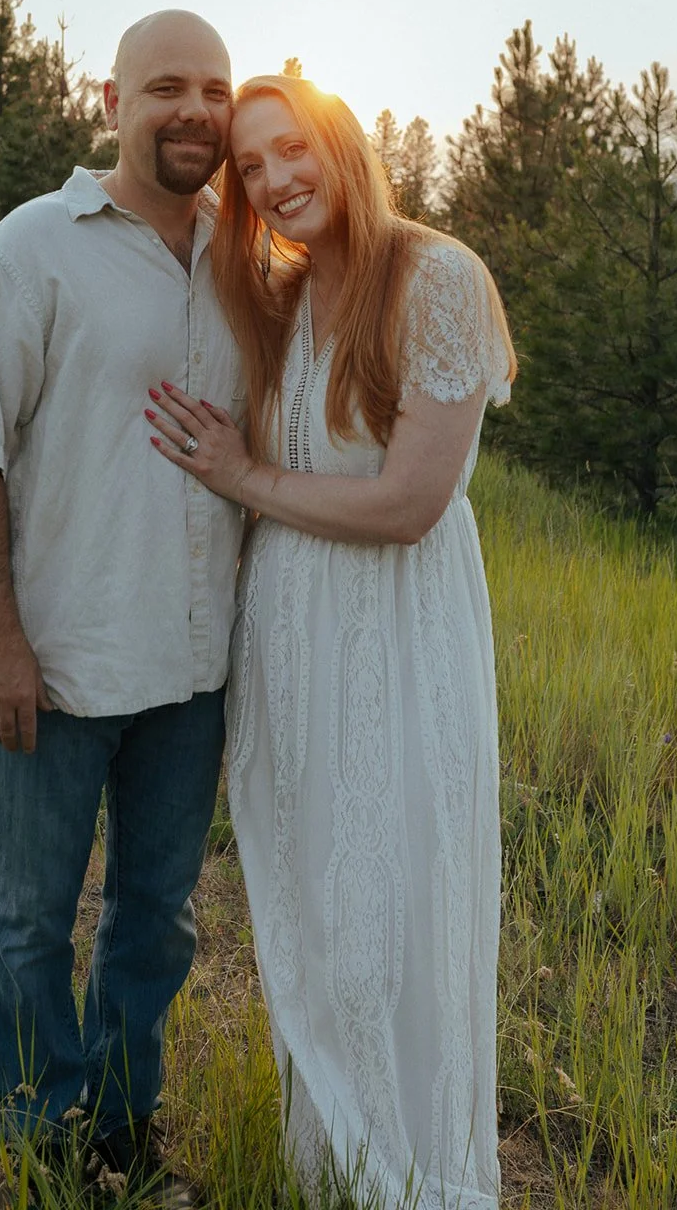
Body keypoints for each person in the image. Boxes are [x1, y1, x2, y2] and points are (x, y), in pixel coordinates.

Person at [144, 74, 516, 1210]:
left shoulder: (436, 277)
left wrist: (242, 475)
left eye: (292, 147)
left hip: (398, 634)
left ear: (342, 143)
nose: (275, 179)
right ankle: (338, 1168)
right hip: (291, 641)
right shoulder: (285, 291)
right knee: (311, 905)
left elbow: (408, 505)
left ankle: (417, 1172)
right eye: (251, 166)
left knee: (394, 904)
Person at [0, 10, 244, 1207]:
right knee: (29, 917)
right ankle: (33, 1136)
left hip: (193, 669)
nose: (195, 110)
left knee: (157, 919)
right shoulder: (31, 250)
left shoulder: (243, 259)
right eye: (165, 86)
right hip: (57, 662)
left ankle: (120, 1120)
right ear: (110, 101)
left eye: (213, 88)